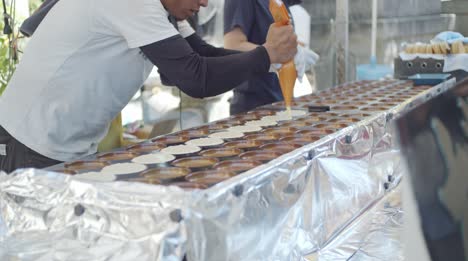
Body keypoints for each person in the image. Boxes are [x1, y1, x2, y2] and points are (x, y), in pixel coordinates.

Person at [0, 0, 298, 173]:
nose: (205, 3)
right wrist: (267, 54)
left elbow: (203, 55)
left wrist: (271, 59)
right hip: (29, 142)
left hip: (68, 144)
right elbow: (196, 77)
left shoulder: (161, 9)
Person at [224, 0, 315, 115]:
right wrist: (271, 55)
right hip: (253, 105)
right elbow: (233, 45)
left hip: (279, 101)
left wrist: (295, 52)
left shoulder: (280, 3)